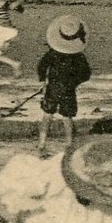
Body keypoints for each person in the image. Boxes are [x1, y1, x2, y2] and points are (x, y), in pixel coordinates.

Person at [38, 15, 92, 158]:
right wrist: (74, 83)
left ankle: (42, 145)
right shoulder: (78, 56)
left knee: (47, 115)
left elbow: (42, 67)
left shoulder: (52, 53)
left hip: (52, 87)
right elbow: (86, 74)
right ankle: (69, 146)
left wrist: (43, 82)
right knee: (67, 117)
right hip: (68, 89)